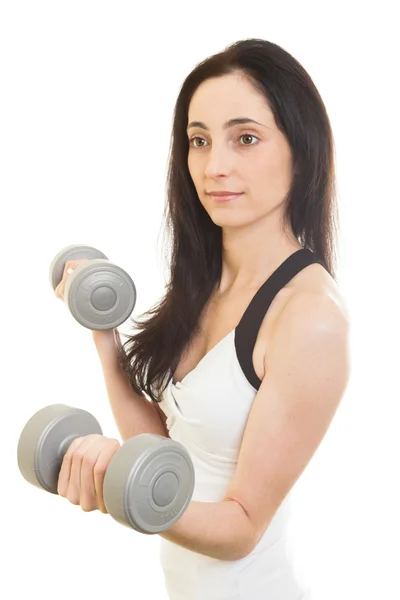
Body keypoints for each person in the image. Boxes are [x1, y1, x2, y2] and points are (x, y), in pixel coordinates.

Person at [55, 38, 351, 599]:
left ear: (302, 149)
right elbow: (170, 455)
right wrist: (103, 335)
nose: (215, 166)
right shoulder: (207, 285)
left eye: (246, 138)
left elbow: (240, 526)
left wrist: (122, 481)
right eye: (199, 140)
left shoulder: (309, 316)